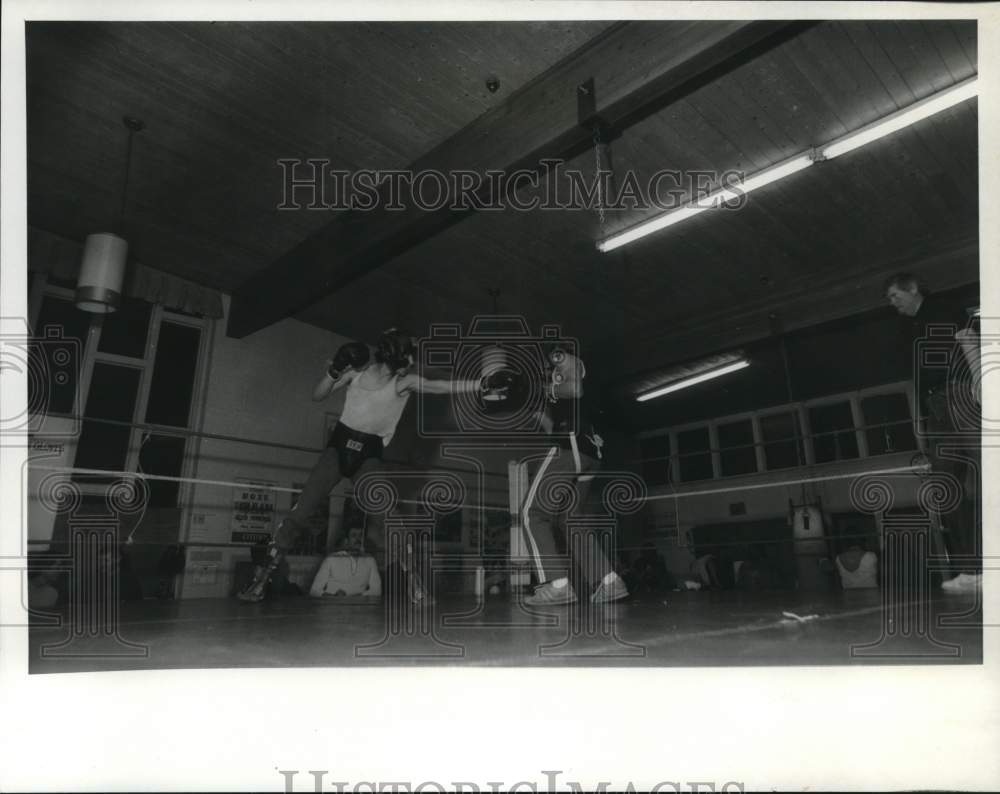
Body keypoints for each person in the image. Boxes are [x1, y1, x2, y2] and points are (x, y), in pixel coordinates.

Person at [238, 328, 504, 602]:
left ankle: (416, 585)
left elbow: (439, 386)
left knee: (388, 518)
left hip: (369, 457)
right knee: (301, 511)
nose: (412, 364)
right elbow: (318, 395)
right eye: (409, 358)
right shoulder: (355, 373)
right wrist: (332, 372)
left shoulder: (402, 383)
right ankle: (259, 582)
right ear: (397, 358)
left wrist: (479, 384)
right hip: (337, 450)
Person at [885, 273, 981, 593]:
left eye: (895, 295)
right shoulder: (908, 329)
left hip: (960, 394)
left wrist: (981, 382)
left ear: (913, 289)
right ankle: (973, 570)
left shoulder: (942, 307)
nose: (892, 302)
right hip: (936, 406)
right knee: (945, 486)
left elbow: (968, 338)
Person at [520, 347, 630, 606]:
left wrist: (544, 390)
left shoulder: (563, 361)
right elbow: (553, 425)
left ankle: (555, 585)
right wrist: (537, 411)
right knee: (571, 519)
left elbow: (575, 389)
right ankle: (610, 582)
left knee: (531, 514)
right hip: (592, 454)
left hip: (571, 449)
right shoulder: (561, 385)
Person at [309, 526, 382, 598]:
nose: (358, 539)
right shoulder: (331, 558)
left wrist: (354, 598)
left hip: (359, 607)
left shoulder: (370, 560)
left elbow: (377, 590)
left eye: (361, 535)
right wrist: (334, 597)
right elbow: (314, 590)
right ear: (346, 540)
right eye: (354, 535)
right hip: (332, 606)